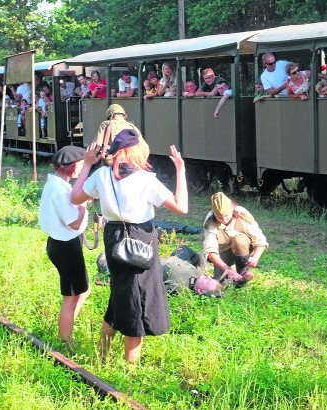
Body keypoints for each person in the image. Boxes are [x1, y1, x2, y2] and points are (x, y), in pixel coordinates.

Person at [70, 129, 189, 363]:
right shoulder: (145, 180)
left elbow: (75, 198)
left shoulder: (101, 175)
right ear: (137, 152)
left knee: (120, 292)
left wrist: (86, 165)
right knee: (137, 298)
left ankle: (102, 353)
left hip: (113, 236)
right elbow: (181, 207)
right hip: (140, 239)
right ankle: (130, 367)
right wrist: (181, 170)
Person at [39, 146, 91, 349]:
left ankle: (67, 332)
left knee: (82, 292)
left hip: (62, 243)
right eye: (80, 164)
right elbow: (75, 223)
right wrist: (83, 203)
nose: (82, 168)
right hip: (65, 246)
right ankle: (64, 342)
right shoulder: (60, 190)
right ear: (70, 167)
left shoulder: (57, 185)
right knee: (71, 297)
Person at [203, 192, 268, 287]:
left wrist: (255, 258)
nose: (224, 220)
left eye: (226, 216)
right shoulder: (210, 221)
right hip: (223, 250)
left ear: (232, 209)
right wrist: (227, 270)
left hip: (242, 248)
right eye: (219, 217)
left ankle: (243, 273)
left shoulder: (243, 215)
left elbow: (260, 241)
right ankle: (232, 270)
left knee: (239, 241)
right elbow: (210, 251)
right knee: (219, 282)